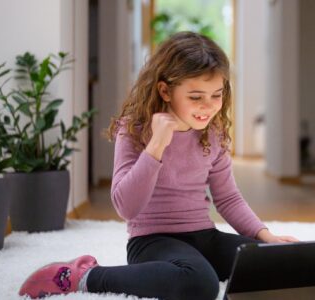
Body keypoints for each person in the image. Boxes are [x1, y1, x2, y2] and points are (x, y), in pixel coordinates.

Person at [18, 31, 298, 300]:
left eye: (217, 94)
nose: (209, 106)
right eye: (196, 97)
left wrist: (266, 236)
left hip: (204, 236)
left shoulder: (214, 134)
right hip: (151, 241)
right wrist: (157, 144)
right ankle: (86, 276)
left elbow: (228, 197)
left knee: (278, 264)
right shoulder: (134, 129)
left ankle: (197, 265)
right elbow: (126, 207)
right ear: (165, 90)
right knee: (199, 284)